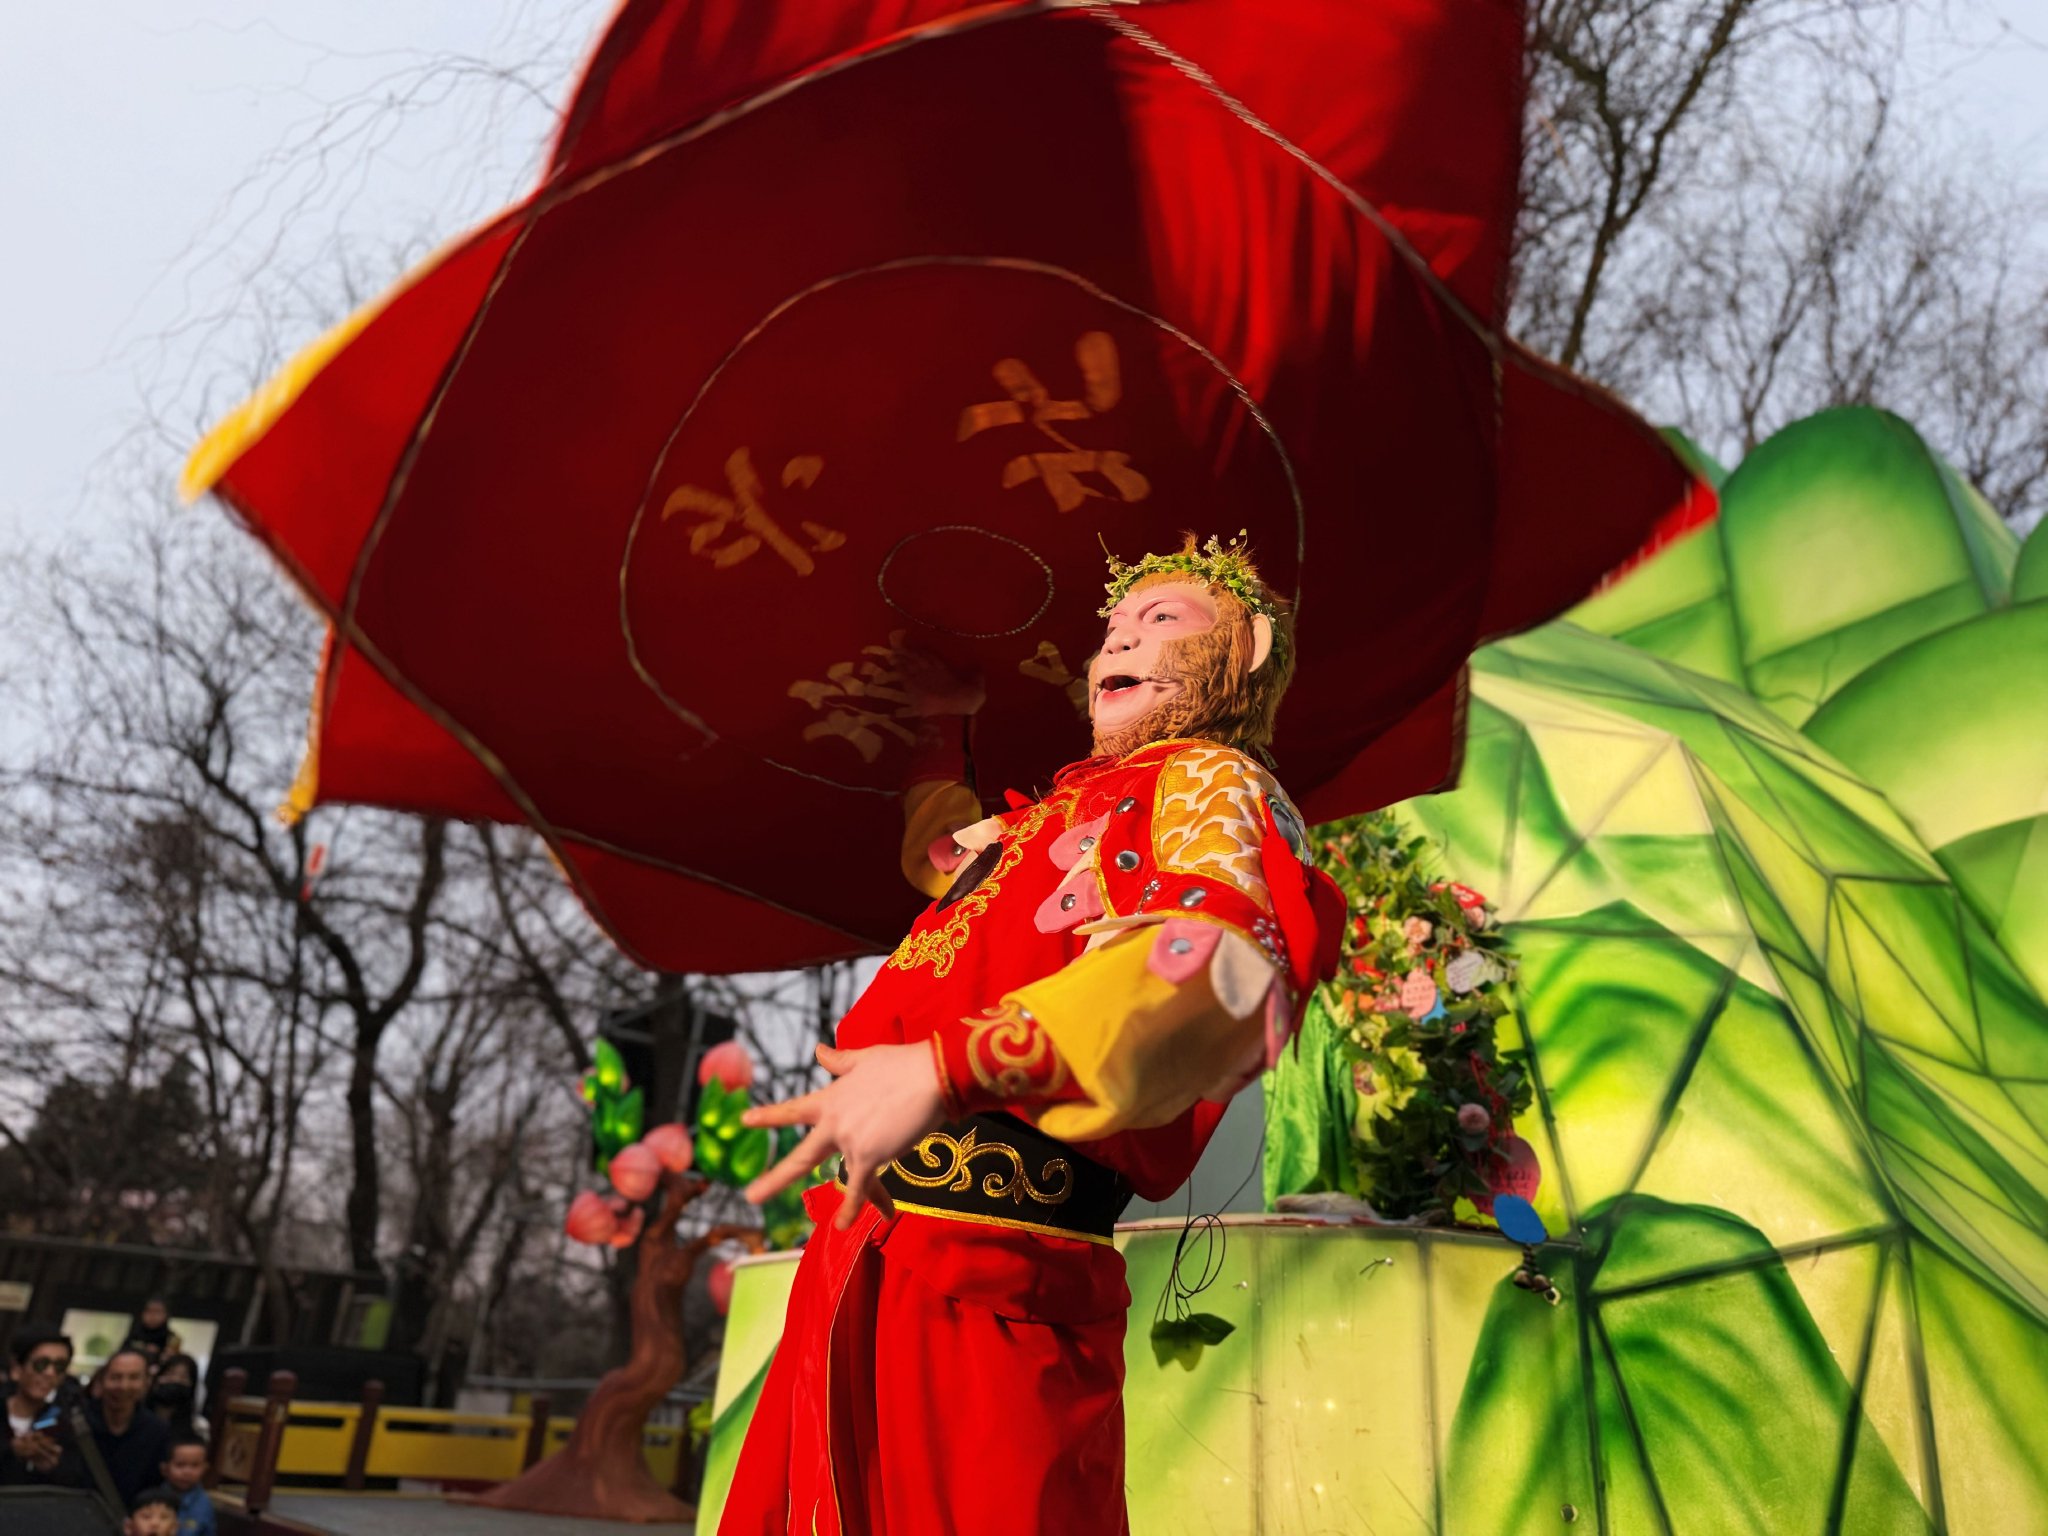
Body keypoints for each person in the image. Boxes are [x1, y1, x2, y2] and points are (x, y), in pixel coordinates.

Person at [720, 535, 1342, 1535]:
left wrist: (949, 1063)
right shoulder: (1052, 811)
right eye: (1110, 629)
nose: (1117, 639)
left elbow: (1213, 960)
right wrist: (935, 733)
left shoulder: (1202, 781)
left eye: (1161, 620)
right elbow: (944, 862)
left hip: (996, 1262)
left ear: (1247, 650)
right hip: (871, 1253)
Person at [1, 1326, 87, 1489]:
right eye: (41, 1364)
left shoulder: (63, 1423)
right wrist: (11, 1452)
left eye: (60, 1367)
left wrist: (52, 1467)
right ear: (17, 1369)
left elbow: (75, 1480)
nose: (50, 1373)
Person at [88, 1348, 173, 1507]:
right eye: (115, 1377)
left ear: (146, 1383)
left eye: (134, 1378)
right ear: (102, 1380)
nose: (123, 1386)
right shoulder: (76, 1422)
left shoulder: (158, 1431)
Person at [159, 1430, 215, 1536]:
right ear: (165, 1469)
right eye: (180, 1465)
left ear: (205, 1469)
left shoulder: (204, 1504)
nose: (187, 1472)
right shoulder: (154, 1498)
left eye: (195, 1465)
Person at [146, 1355, 206, 1439]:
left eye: (183, 1377)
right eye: (170, 1374)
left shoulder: (198, 1428)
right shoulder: (137, 1418)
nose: (175, 1380)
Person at [123, 1302, 179, 1370]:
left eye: (157, 1312)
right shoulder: (134, 1335)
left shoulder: (172, 1338)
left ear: (166, 1315)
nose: (153, 1316)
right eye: (149, 1311)